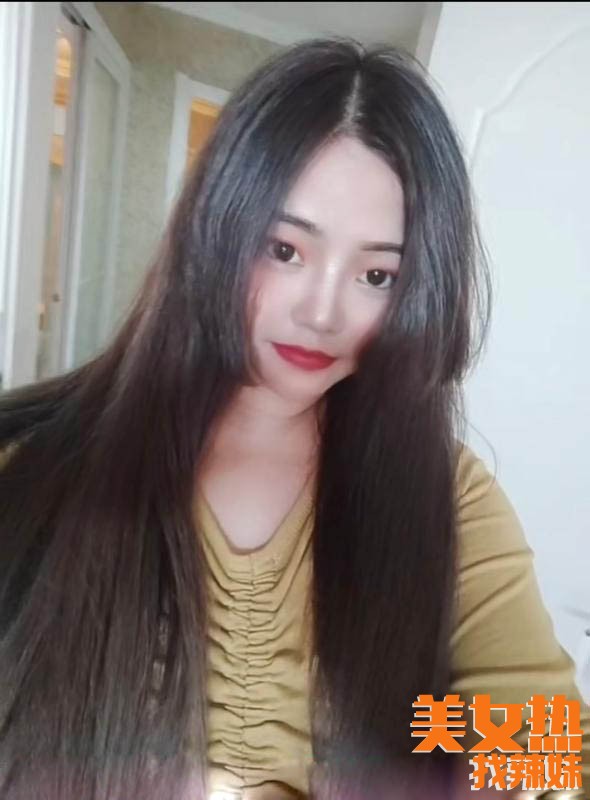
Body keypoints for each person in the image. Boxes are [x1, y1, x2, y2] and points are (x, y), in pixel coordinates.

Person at [0, 36, 587, 800]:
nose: (322, 312)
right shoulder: (31, 461)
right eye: (284, 250)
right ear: (215, 228)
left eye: (378, 275)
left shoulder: (447, 496)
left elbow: (548, 750)